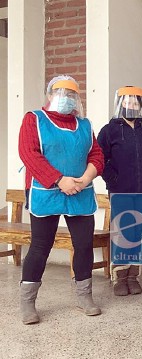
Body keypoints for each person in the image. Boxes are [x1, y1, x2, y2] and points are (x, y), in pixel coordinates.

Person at [18, 75, 105, 324]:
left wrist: (86, 178)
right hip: (47, 191)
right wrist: (59, 180)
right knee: (40, 247)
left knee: (84, 245)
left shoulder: (85, 125)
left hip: (80, 191)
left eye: (71, 94)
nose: (66, 98)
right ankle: (27, 302)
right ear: (49, 95)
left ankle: (84, 296)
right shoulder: (34, 119)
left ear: (77, 98)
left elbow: (96, 155)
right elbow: (29, 153)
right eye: (60, 92)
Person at [97, 86, 142, 296]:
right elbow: (99, 158)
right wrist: (113, 179)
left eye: (135, 103)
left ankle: (133, 276)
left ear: (140, 106)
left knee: (136, 232)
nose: (131, 106)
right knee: (123, 232)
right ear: (120, 104)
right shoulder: (109, 130)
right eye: (127, 103)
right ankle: (119, 277)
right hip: (120, 191)